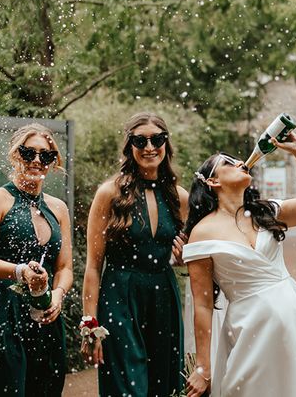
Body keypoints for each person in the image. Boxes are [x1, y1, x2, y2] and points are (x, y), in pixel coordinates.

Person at [182, 135, 296, 397]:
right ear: (212, 181)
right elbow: (202, 305)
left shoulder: (266, 212)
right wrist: (202, 367)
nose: (240, 162)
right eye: (228, 163)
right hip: (249, 330)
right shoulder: (202, 233)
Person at [81, 112, 189, 397]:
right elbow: (93, 266)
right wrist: (89, 326)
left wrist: (182, 260)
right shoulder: (109, 194)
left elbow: (192, 259)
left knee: (163, 386)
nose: (149, 147)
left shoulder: (180, 197)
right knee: (128, 387)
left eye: (157, 139)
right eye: (140, 140)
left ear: (167, 144)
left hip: (164, 296)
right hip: (120, 296)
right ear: (129, 146)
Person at [0, 123, 73, 397]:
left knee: (45, 389)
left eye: (46, 156)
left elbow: (64, 268)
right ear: (15, 155)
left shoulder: (58, 208)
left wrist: (58, 295)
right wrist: (19, 271)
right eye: (29, 153)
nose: (37, 161)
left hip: (45, 316)